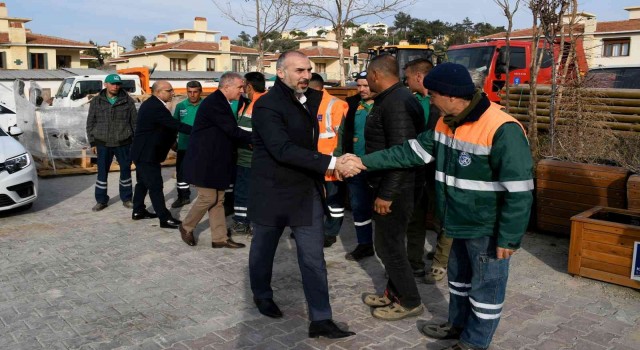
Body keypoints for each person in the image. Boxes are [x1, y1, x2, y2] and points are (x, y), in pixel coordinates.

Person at [342, 62, 534, 350]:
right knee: (459, 283)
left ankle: (474, 343)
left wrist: (509, 237)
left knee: (485, 292)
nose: (428, 99)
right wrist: (363, 161)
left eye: (433, 94)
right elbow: (410, 152)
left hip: (486, 229)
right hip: (456, 221)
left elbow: (520, 191)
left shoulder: (502, 128)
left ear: (452, 96)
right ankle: (456, 326)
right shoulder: (446, 121)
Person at [248, 51, 355, 339]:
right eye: (299, 70)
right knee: (263, 250)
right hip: (272, 192)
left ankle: (321, 318)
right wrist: (334, 163)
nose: (306, 75)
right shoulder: (267, 106)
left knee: (312, 257)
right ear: (280, 73)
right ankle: (262, 295)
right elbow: (281, 150)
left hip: (304, 191)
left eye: (308, 69)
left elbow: (346, 104)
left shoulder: (307, 98)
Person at [358, 54, 426, 321]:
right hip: (387, 184)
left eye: (366, 77)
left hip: (398, 189)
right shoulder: (391, 99)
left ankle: (410, 301)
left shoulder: (397, 103)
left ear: (375, 75)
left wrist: (387, 194)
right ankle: (393, 293)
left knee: (390, 247)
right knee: (385, 243)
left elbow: (402, 153)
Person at [178, 73, 251, 248]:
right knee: (208, 197)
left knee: (218, 199)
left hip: (215, 159)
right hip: (205, 160)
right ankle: (186, 226)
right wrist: (259, 138)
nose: (242, 90)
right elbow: (232, 131)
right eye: (239, 87)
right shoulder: (216, 103)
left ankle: (219, 238)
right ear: (227, 87)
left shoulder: (222, 102)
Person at [403, 58, 452, 284]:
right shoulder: (414, 101)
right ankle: (413, 263)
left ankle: (441, 262)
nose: (406, 80)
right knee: (415, 217)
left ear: (419, 77)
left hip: (438, 171)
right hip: (416, 169)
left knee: (444, 218)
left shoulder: (440, 104)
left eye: (408, 76)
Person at [130, 81, 192, 229]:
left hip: (144, 152)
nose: (173, 93)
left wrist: (172, 143)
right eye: (169, 90)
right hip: (146, 154)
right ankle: (165, 218)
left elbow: (164, 129)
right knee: (156, 185)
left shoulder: (153, 104)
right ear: (158, 92)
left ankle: (138, 211)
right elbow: (174, 125)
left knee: (143, 183)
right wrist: (200, 131)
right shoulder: (155, 107)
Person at [334, 71, 376, 261]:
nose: (361, 89)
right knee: (359, 207)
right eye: (358, 85)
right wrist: (338, 161)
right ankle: (365, 244)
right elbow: (342, 134)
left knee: (383, 211)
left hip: (379, 167)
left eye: (365, 85)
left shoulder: (384, 105)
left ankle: (388, 251)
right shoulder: (352, 105)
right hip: (354, 167)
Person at [86, 73, 137, 211]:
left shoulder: (128, 101)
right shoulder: (96, 101)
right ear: (105, 84)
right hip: (103, 143)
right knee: (102, 173)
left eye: (118, 84)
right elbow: (90, 123)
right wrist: (93, 142)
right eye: (112, 83)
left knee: (125, 171)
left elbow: (135, 123)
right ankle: (101, 200)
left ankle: (126, 198)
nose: (115, 86)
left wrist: (135, 143)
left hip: (124, 142)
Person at [308, 73, 348, 248]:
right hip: (312, 162)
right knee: (314, 198)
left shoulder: (336, 104)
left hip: (331, 162)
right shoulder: (305, 103)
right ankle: (312, 229)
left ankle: (330, 232)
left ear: (316, 88)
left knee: (334, 199)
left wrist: (338, 163)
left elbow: (342, 136)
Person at [229, 72, 267, 236]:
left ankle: (242, 223)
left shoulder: (258, 105)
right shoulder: (250, 103)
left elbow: (257, 134)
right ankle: (253, 223)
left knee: (244, 192)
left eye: (243, 85)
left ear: (249, 86)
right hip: (249, 158)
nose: (242, 88)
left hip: (249, 159)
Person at [170, 81, 203, 209]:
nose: (192, 95)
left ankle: (206, 198)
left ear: (200, 91)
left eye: (195, 92)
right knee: (182, 172)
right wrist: (173, 141)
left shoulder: (206, 105)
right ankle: (183, 197)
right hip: (184, 145)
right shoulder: (180, 106)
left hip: (202, 146)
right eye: (189, 92)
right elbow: (174, 124)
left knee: (203, 171)